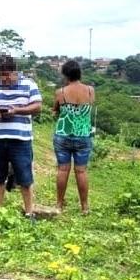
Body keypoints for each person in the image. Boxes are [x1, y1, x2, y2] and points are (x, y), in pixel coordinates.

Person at [0, 55, 43, 216]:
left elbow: (37, 106)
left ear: (15, 71)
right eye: (1, 75)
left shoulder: (28, 84)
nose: (5, 78)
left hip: (20, 139)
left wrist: (17, 111)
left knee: (25, 177)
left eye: (7, 75)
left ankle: (29, 212)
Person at [52, 60, 95, 214]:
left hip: (63, 134)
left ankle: (59, 204)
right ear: (79, 73)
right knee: (81, 171)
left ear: (65, 75)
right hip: (83, 135)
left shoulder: (60, 92)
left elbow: (55, 111)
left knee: (63, 170)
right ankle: (84, 207)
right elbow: (89, 106)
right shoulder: (90, 91)